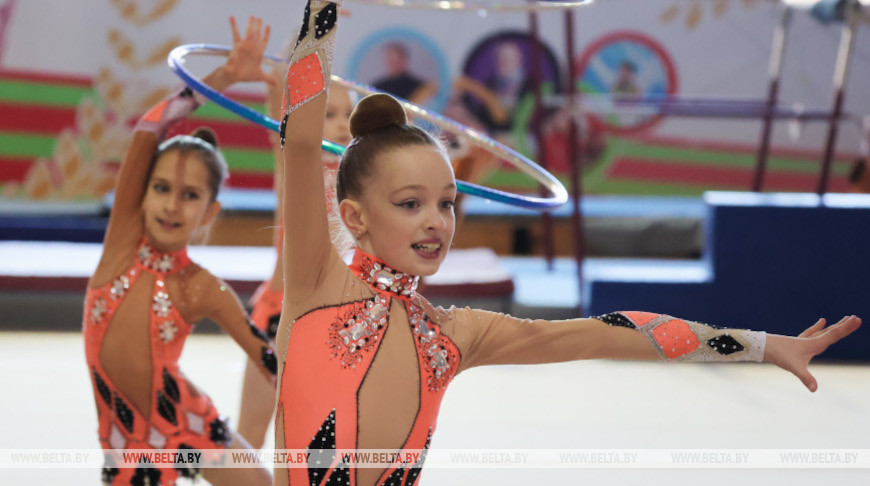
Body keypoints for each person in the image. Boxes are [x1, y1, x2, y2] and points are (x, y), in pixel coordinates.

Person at [275, 2, 861, 485]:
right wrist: (321, 9)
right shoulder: (316, 283)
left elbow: (611, 333)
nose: (436, 222)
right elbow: (300, 138)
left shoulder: (452, 336)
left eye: (447, 203)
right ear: (354, 217)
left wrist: (762, 346)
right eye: (410, 203)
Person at [83, 17, 277, 485]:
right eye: (162, 188)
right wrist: (225, 76)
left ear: (210, 212)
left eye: (189, 196)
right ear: (142, 194)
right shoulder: (122, 244)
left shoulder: (201, 286)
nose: (171, 205)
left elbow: (267, 359)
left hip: (188, 423)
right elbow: (151, 126)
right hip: (131, 445)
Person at [236, 66, 354, 450]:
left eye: (349, 115)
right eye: (329, 115)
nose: (343, 124)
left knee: (314, 445)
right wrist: (286, 68)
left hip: (329, 323)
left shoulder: (364, 183)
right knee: (250, 434)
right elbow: (280, 113)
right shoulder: (295, 165)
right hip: (277, 315)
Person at [372, 42, 438, 107]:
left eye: (397, 61)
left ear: (405, 60)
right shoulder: (377, 87)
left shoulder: (419, 87)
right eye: (390, 61)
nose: (393, 64)